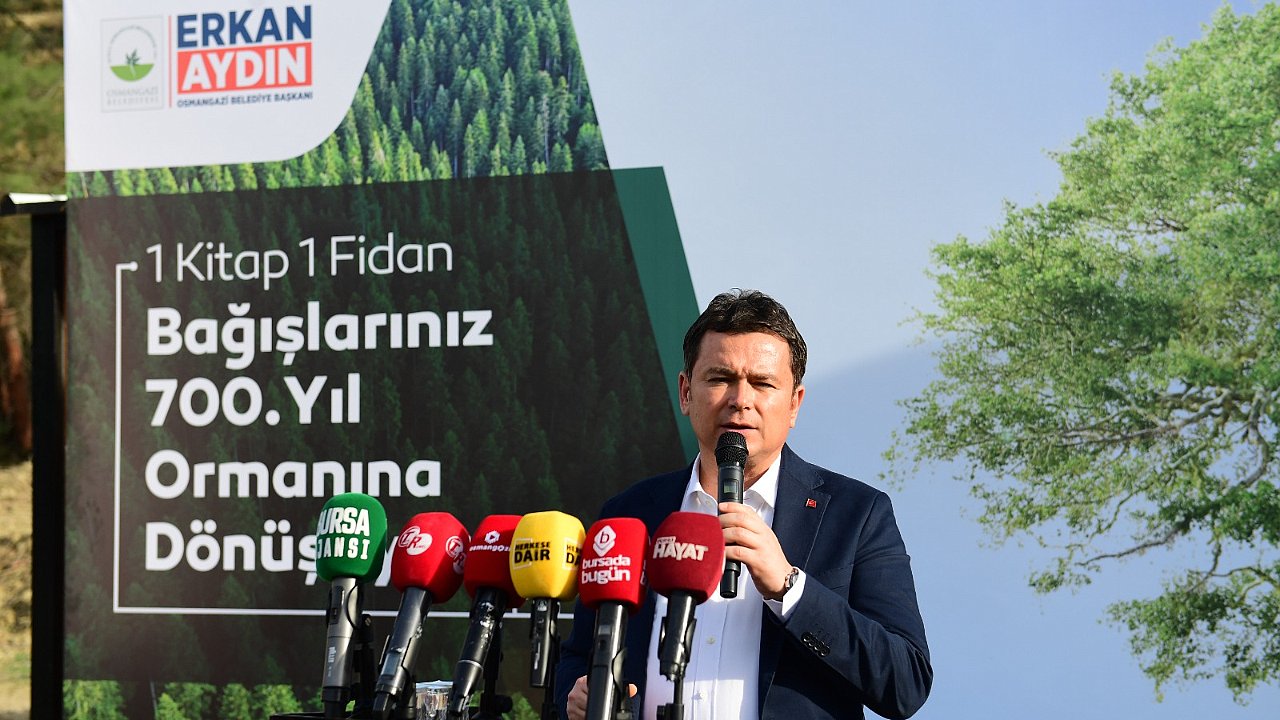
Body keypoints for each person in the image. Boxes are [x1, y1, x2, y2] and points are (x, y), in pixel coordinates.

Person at [555, 289, 932, 720]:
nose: (740, 399)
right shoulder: (630, 513)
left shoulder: (857, 515)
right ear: (686, 392)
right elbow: (579, 655)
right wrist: (576, 696)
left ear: (794, 404)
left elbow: (905, 682)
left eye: (762, 383)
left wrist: (790, 588)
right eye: (720, 378)